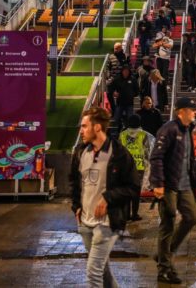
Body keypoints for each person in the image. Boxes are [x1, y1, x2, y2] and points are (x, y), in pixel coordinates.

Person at [70, 107, 139, 288]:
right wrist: (76, 206)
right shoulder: (80, 153)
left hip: (107, 222)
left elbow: (133, 187)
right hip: (85, 222)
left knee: (93, 272)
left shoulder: (119, 154)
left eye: (85, 126)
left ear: (98, 127)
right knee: (103, 270)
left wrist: (108, 198)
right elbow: (74, 182)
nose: (81, 131)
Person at [149, 97, 196, 285]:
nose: (195, 112)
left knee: (192, 217)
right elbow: (156, 158)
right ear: (181, 111)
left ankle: (164, 253)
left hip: (184, 184)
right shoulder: (169, 129)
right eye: (192, 110)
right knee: (167, 224)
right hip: (169, 185)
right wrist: (158, 183)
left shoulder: (188, 130)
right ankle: (164, 269)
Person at [118, 114, 155, 222]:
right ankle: (134, 214)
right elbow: (148, 152)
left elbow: (118, 151)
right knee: (135, 192)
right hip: (139, 167)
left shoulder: (122, 135)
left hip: (125, 167)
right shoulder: (144, 135)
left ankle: (126, 215)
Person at [108, 65, 138, 133]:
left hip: (130, 103)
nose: (126, 73)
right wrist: (114, 92)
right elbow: (110, 88)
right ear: (122, 71)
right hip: (120, 103)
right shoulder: (117, 79)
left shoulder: (133, 79)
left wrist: (132, 94)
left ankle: (129, 132)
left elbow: (137, 90)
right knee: (116, 118)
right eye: (124, 71)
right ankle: (116, 132)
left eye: (127, 71)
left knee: (130, 119)